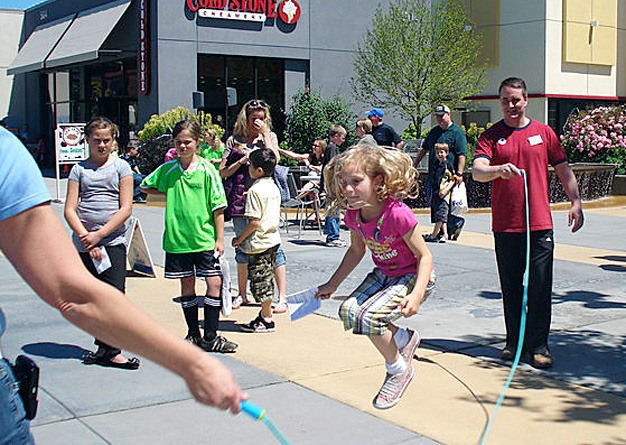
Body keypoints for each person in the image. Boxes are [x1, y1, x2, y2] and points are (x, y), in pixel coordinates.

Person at [0, 126, 244, 443]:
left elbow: (133, 202)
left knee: (190, 286)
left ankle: (183, 337)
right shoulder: (9, 153)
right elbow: (74, 295)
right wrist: (193, 365)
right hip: (161, 242)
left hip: (127, 242)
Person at [472, 77, 584, 369]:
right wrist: (497, 169)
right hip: (506, 226)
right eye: (506, 100)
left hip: (539, 225)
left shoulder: (544, 133)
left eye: (516, 100)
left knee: (539, 286)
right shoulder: (491, 136)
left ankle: (539, 345)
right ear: (501, 102)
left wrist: (576, 201)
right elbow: (477, 171)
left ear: (526, 100)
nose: (511, 105)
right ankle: (514, 342)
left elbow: (564, 169)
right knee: (510, 287)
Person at [316, 144, 433, 410]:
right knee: (348, 311)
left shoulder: (397, 214)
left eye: (356, 182)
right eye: (344, 183)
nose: (348, 189)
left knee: (369, 318)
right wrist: (332, 284)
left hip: (412, 276)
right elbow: (356, 250)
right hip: (384, 273)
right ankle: (403, 339)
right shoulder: (353, 215)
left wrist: (416, 295)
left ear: (377, 180)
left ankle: (398, 370)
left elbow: (424, 257)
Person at [141, 119, 238, 353]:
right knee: (187, 285)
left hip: (204, 239)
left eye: (188, 142)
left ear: (197, 143)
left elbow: (218, 207)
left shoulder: (207, 170)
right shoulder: (169, 170)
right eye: (179, 143)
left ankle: (211, 336)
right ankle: (193, 334)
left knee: (214, 282)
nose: (183, 146)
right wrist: (166, 191)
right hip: (178, 240)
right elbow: (145, 186)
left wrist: (219, 239)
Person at [64, 117, 139, 370]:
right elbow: (70, 209)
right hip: (85, 244)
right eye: (97, 140)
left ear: (113, 141)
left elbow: (126, 207)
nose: (102, 145)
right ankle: (102, 347)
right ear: (87, 140)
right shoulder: (79, 170)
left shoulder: (121, 168)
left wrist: (100, 234)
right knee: (92, 299)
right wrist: (86, 236)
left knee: (114, 296)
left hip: (112, 241)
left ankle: (114, 349)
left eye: (107, 140)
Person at [220, 99, 288, 314]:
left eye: (261, 118)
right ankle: (242, 294)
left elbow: (275, 160)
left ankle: (282, 297)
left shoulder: (269, 137)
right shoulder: (234, 140)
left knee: (273, 247)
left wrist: (266, 135)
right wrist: (241, 161)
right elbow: (222, 172)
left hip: (265, 198)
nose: (257, 122)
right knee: (242, 247)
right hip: (241, 200)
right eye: (253, 119)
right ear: (245, 118)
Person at [232, 148, 282, 333]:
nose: (248, 169)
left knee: (260, 281)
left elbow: (254, 222)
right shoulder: (273, 186)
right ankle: (264, 314)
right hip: (272, 239)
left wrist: (239, 239)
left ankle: (267, 318)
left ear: (258, 170)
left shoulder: (254, 190)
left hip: (258, 242)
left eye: (250, 166)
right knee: (267, 277)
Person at [414, 104, 467, 241]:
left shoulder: (456, 133)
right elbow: (424, 149)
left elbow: (462, 154)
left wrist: (459, 173)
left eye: (442, 115)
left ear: (449, 114)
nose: (439, 118)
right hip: (434, 174)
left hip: (448, 175)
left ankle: (453, 224)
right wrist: (414, 165)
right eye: (437, 116)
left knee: (443, 203)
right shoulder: (434, 131)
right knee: (436, 202)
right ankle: (444, 230)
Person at [423, 143, 456, 243]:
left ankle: (434, 234)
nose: (440, 154)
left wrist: (446, 190)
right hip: (436, 193)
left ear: (447, 153)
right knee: (441, 215)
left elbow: (453, 179)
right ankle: (445, 234)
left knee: (440, 215)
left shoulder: (448, 164)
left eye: (442, 152)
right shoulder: (437, 165)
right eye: (438, 153)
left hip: (443, 194)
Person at [323, 125, 347, 247]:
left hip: (329, 183)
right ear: (336, 136)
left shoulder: (330, 147)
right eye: (342, 138)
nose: (343, 140)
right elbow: (332, 167)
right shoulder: (332, 148)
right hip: (333, 184)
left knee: (332, 209)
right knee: (334, 209)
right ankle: (333, 235)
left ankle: (330, 233)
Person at [120, 139, 147, 203]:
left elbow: (134, 166)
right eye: (137, 150)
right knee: (138, 179)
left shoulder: (132, 158)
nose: (138, 152)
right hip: (126, 174)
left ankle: (139, 195)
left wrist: (139, 173)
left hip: (133, 174)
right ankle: (134, 196)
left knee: (145, 178)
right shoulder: (123, 157)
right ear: (131, 149)